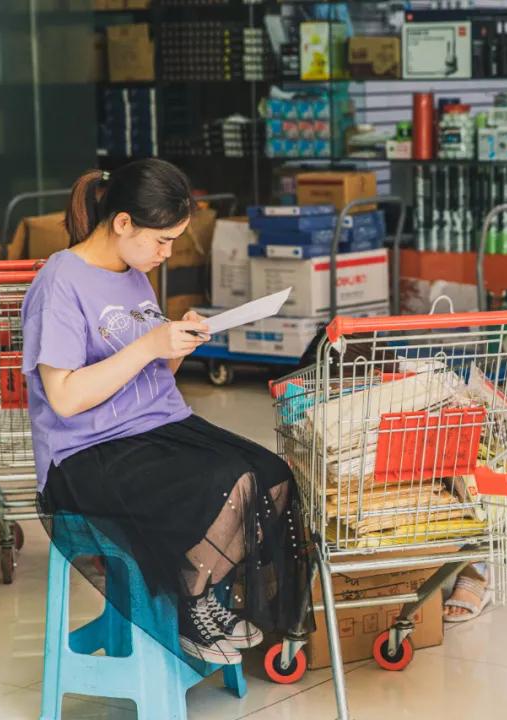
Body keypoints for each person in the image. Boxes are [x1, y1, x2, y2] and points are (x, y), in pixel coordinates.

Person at [22, 159, 311, 666]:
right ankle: (193, 603)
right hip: (88, 451)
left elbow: (152, 375)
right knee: (231, 482)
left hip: (159, 427)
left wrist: (177, 345)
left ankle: (208, 596)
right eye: (162, 240)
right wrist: (149, 344)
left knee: (273, 474)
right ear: (123, 223)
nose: (168, 252)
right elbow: (64, 397)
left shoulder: (135, 271)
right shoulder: (59, 283)